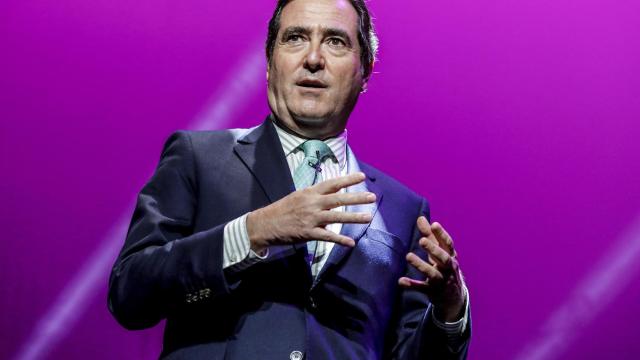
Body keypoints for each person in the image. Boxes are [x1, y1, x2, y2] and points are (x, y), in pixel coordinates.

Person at [108, 0, 471, 358]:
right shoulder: (198, 158)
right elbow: (130, 293)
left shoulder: (403, 210)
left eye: (335, 41)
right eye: (295, 38)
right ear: (270, 63)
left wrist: (449, 313)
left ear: (365, 71)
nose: (313, 59)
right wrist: (252, 232)